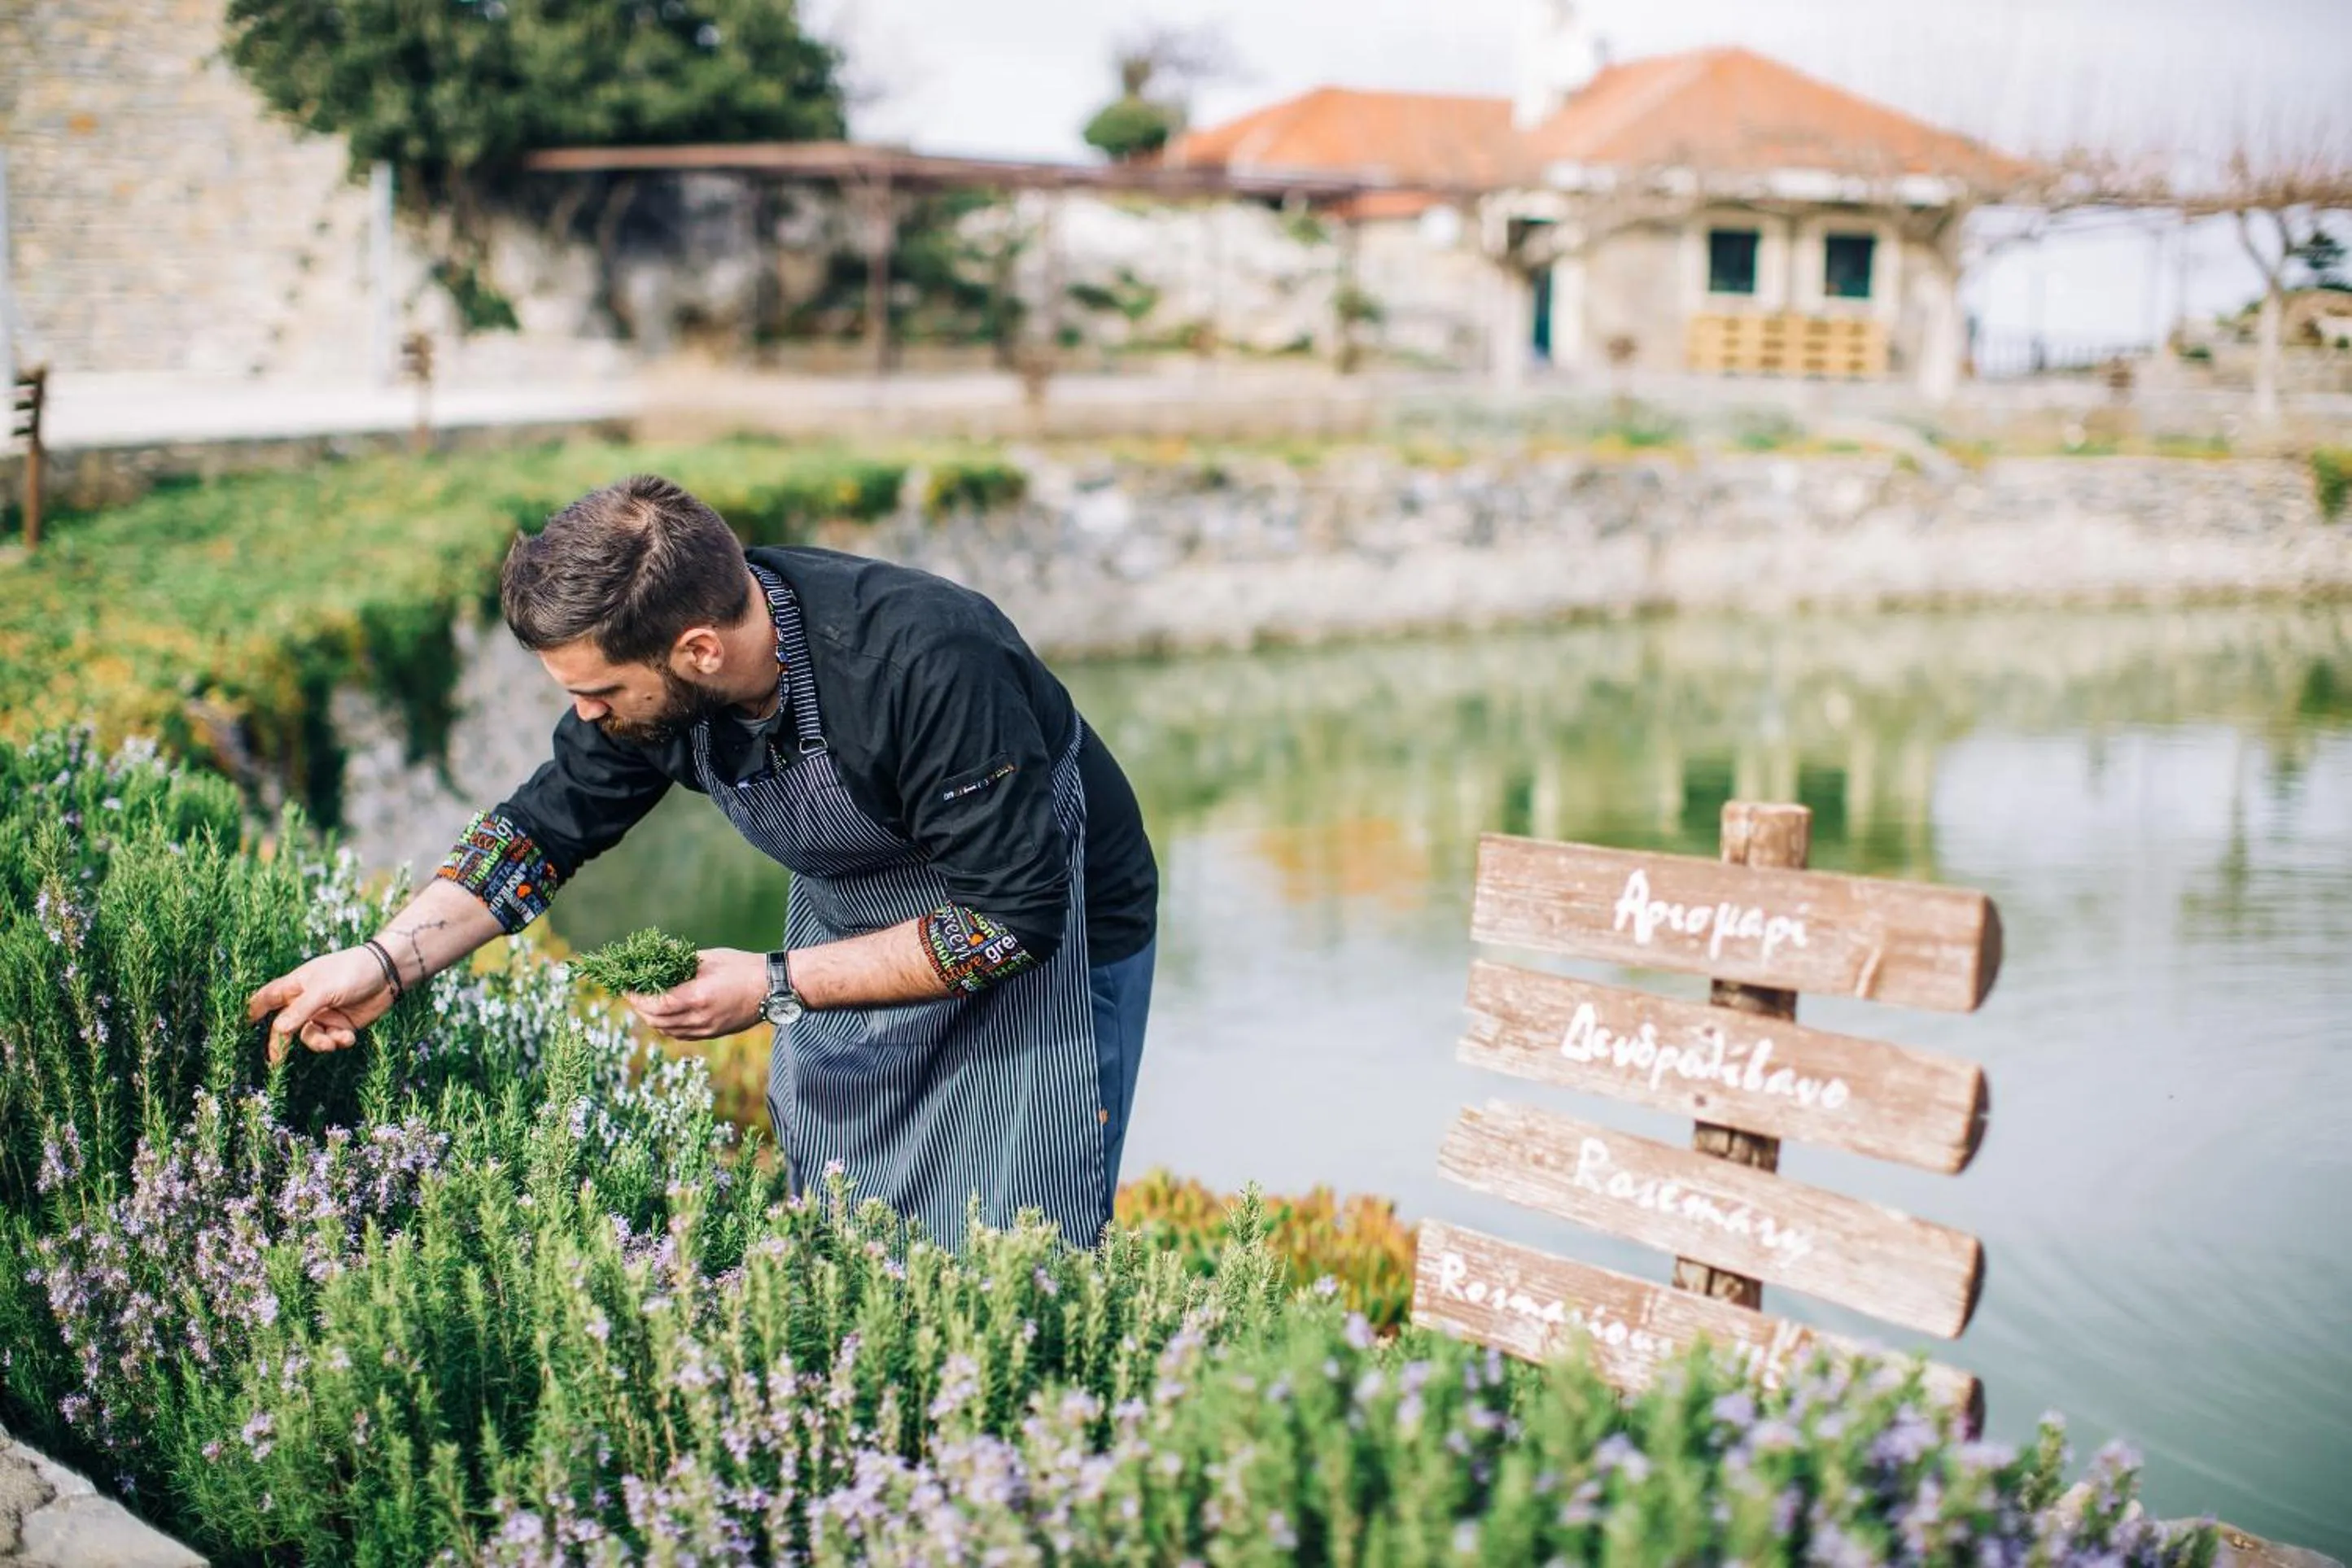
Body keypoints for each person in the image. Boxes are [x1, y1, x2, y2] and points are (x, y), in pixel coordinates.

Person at [244, 474, 1160, 1251]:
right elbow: (541, 831)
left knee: (1012, 1245)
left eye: (599, 693)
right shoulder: (663, 683)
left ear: (698, 650)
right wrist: (383, 963)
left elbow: (1009, 922)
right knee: (849, 1228)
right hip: (851, 927)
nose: (590, 716)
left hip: (1051, 947)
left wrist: (770, 984)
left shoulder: (923, 660)